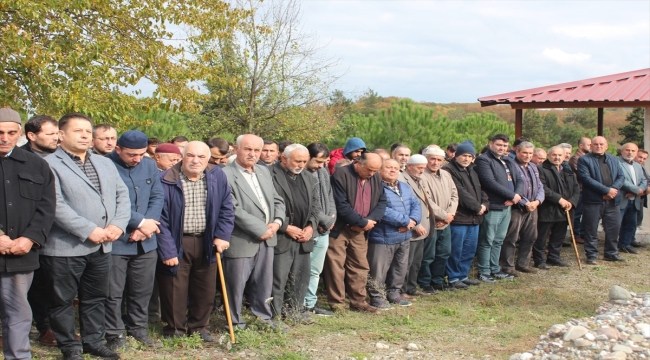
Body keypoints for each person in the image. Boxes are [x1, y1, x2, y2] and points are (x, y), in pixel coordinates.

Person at [42, 113, 130, 360]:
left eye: (87, 131)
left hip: (102, 246)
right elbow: (55, 204)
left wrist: (118, 225)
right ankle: (70, 346)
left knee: (95, 298)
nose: (84, 135)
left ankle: (93, 341)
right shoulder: (49, 164)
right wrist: (88, 230)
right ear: (61, 134)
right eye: (77, 131)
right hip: (65, 247)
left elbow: (122, 196)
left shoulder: (104, 163)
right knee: (63, 301)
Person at [156, 141, 234, 340]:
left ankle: (200, 328)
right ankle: (174, 329)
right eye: (191, 155)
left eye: (201, 157)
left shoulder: (217, 176)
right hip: (177, 240)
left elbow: (227, 208)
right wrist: (167, 249)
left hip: (206, 240)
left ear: (208, 159)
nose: (195, 160)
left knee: (205, 288)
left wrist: (222, 235)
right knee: (174, 287)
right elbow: (160, 218)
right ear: (183, 156)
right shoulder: (165, 179)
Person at [0, 107, 56, 360]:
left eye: (11, 132)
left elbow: (46, 207)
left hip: (20, 255)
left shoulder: (38, 166)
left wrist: (30, 238)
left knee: (18, 314)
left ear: (20, 133)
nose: (5, 138)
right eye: (0, 132)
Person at [105, 131, 164, 349]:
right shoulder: (105, 164)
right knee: (113, 291)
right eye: (131, 154)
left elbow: (158, 196)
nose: (137, 159)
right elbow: (109, 201)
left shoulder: (148, 165)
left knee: (143, 289)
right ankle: (114, 333)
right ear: (118, 149)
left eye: (141, 154)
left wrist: (148, 225)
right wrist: (139, 223)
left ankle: (139, 328)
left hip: (146, 241)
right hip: (118, 240)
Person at [221, 134, 285, 330]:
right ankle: (235, 321)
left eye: (257, 150)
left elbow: (277, 200)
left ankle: (263, 318)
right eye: (248, 149)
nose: (253, 154)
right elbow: (232, 208)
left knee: (264, 282)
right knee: (236, 284)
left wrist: (276, 223)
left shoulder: (264, 172)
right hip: (242, 239)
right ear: (236, 149)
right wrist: (260, 229)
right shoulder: (224, 174)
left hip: (268, 238)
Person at [325, 152, 386, 313]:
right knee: (335, 266)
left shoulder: (376, 178)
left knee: (360, 266)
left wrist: (369, 222)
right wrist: (361, 222)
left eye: (375, 171)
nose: (371, 174)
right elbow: (341, 205)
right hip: (340, 228)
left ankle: (359, 302)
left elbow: (382, 201)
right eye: (369, 170)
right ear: (358, 163)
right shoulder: (341, 175)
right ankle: (337, 304)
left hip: (362, 230)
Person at [20, 114, 59, 346]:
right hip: (26, 234)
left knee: (50, 286)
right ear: (32, 136)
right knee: (30, 287)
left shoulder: (64, 158)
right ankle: (40, 327)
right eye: (51, 134)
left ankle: (48, 328)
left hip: (56, 234)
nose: (57, 138)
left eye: (58, 133)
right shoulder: (19, 159)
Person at [269, 144, 319, 323]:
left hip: (303, 236)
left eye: (304, 161)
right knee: (278, 278)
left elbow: (315, 205)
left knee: (301, 276)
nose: (301, 165)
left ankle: (295, 311)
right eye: (298, 161)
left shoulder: (308, 176)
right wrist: (286, 227)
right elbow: (268, 206)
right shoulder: (268, 174)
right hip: (282, 235)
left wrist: (311, 226)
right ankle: (274, 315)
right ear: (283, 158)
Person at [367, 159, 420, 308]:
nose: (393, 170)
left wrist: (413, 221)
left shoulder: (404, 186)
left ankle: (394, 294)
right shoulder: (375, 187)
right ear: (379, 170)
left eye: (396, 168)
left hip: (404, 236)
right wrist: (405, 221)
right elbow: (381, 210)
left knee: (400, 267)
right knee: (378, 270)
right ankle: (377, 298)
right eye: (389, 167)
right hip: (383, 236)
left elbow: (415, 204)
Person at [474, 133, 524, 283]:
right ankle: (484, 271)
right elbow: (489, 182)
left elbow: (520, 179)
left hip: (507, 207)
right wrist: (511, 195)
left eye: (504, 145)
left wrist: (516, 196)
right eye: (499, 145)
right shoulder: (484, 160)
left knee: (499, 240)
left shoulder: (508, 160)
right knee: (487, 240)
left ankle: (495, 269)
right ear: (491, 144)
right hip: (494, 206)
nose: (502, 148)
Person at [442, 140, 488, 289]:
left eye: (470, 156)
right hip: (460, 218)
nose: (467, 158)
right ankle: (453, 277)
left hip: (474, 219)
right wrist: (476, 207)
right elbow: (460, 193)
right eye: (463, 155)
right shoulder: (449, 170)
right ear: (456, 155)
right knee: (456, 249)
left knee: (469, 249)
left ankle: (463, 275)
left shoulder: (472, 170)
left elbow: (481, 191)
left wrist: (485, 205)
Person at [577, 136, 625, 264]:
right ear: (591, 146)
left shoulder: (614, 159)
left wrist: (613, 190)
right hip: (593, 200)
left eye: (601, 144)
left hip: (612, 200)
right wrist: (606, 190)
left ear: (606, 146)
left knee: (613, 228)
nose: (599, 146)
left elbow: (621, 176)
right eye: (596, 144)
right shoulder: (584, 160)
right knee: (591, 229)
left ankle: (611, 253)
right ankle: (591, 255)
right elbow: (585, 179)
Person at [500, 142, 544, 276]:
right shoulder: (511, 166)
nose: (527, 156)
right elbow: (511, 187)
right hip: (517, 207)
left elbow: (540, 186)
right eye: (525, 153)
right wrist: (525, 202)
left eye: (530, 153)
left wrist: (537, 201)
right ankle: (507, 266)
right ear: (517, 152)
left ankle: (523, 263)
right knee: (511, 238)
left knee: (531, 236)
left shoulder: (533, 167)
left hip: (533, 207)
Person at [417, 147, 458, 292]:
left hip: (446, 222)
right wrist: (443, 216)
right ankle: (425, 282)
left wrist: (449, 215)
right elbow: (426, 200)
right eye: (432, 159)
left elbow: (454, 195)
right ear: (425, 159)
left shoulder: (446, 174)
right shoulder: (421, 175)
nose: (435, 162)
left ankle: (438, 280)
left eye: (439, 159)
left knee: (444, 253)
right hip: (430, 222)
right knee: (428, 255)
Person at [533, 146, 580, 269]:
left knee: (559, 236)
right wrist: (560, 200)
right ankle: (539, 260)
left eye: (560, 155)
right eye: (554, 155)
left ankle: (554, 257)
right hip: (547, 209)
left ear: (564, 157)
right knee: (541, 237)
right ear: (549, 155)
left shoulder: (568, 170)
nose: (557, 157)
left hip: (565, 210)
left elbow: (576, 189)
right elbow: (542, 188)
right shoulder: (541, 169)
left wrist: (571, 202)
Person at [303, 143, 336, 316]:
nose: (321, 165)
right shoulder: (301, 173)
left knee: (316, 270)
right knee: (303, 269)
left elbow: (329, 195)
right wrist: (324, 219)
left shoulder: (322, 171)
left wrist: (332, 217)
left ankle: (310, 303)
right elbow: (311, 202)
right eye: (317, 161)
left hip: (324, 229)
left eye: (324, 161)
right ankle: (299, 304)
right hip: (308, 228)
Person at [398, 155, 434, 297]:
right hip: (411, 227)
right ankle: (401, 290)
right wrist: (415, 224)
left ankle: (412, 288)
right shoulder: (402, 179)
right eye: (419, 168)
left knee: (416, 262)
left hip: (423, 227)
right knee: (406, 262)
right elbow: (404, 205)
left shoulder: (420, 179)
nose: (422, 171)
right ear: (410, 166)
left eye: (424, 168)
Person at [617, 143, 647, 254]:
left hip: (634, 200)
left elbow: (644, 180)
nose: (630, 153)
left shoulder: (638, 166)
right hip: (621, 199)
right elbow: (621, 180)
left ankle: (625, 245)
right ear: (622, 151)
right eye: (627, 150)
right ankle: (612, 246)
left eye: (633, 151)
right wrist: (636, 190)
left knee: (631, 224)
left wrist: (639, 190)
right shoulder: (616, 163)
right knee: (617, 224)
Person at [568, 137, 591, 244]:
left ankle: (582, 233)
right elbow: (583, 174)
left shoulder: (588, 157)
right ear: (581, 145)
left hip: (586, 190)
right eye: (589, 144)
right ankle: (576, 235)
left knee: (584, 213)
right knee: (577, 214)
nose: (591, 147)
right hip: (579, 189)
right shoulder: (575, 158)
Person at [633, 149, 650, 248]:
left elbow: (648, 180)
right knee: (630, 221)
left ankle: (632, 239)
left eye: (644, 158)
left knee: (638, 220)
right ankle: (626, 241)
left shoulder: (642, 168)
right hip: (632, 196)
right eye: (640, 157)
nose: (641, 160)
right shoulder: (630, 167)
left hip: (641, 198)